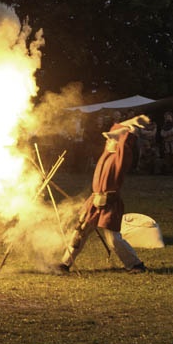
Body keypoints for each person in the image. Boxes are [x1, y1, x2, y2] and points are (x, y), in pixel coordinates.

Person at [55, 115, 150, 274]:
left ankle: (135, 265)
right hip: (94, 201)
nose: (108, 141)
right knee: (80, 233)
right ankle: (65, 264)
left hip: (110, 203)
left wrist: (130, 132)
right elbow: (116, 134)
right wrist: (125, 126)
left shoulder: (122, 157)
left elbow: (126, 143)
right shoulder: (107, 154)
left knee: (113, 239)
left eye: (112, 139)